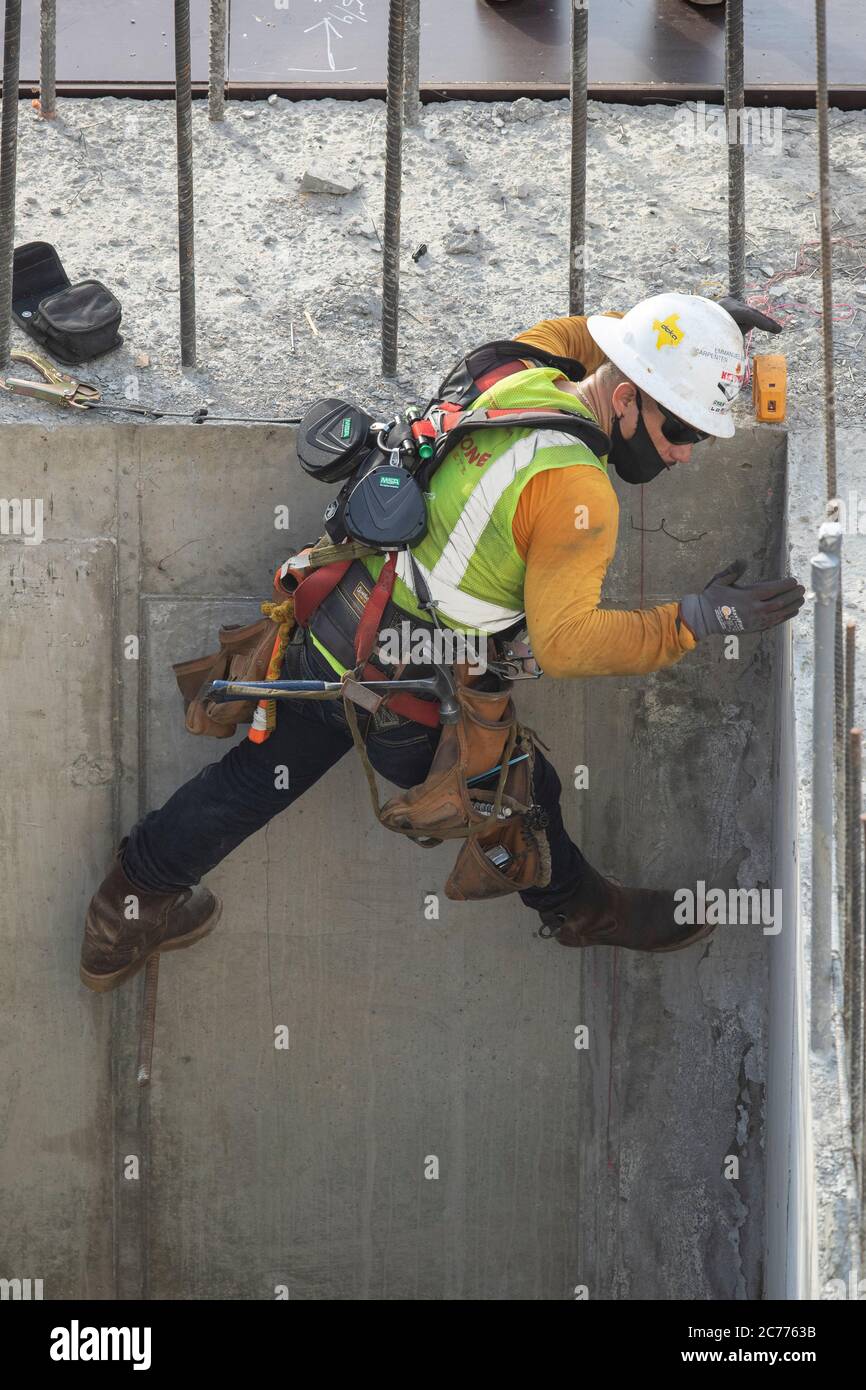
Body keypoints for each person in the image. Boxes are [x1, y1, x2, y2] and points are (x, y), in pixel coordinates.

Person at [80, 293, 804, 992]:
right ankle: (583, 911)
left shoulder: (512, 370)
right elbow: (569, 644)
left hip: (336, 622)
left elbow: (589, 335)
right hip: (405, 698)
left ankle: (121, 917)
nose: (684, 455)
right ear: (624, 402)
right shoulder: (578, 495)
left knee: (256, 777)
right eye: (682, 432)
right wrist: (696, 621)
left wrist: (698, 334)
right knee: (524, 793)